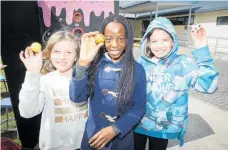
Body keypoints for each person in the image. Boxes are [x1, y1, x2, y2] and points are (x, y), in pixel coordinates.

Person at [134, 17, 219, 150]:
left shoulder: (184, 64)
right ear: (148, 43)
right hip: (137, 125)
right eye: (154, 41)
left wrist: (202, 50)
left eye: (165, 40)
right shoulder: (140, 63)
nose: (160, 45)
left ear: (173, 41)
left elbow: (209, 86)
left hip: (162, 129)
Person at [69, 15, 146, 150]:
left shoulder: (137, 69)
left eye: (120, 39)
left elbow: (139, 107)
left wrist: (116, 128)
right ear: (102, 39)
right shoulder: (93, 65)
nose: (114, 44)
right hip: (93, 137)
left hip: (122, 139)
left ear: (127, 40)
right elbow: (77, 98)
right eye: (108, 39)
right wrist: (82, 64)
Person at [19, 30, 88, 150]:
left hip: (83, 146)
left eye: (68, 52)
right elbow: (27, 112)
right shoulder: (44, 81)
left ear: (76, 56)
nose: (62, 57)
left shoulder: (86, 80)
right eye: (56, 51)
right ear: (49, 54)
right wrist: (32, 74)